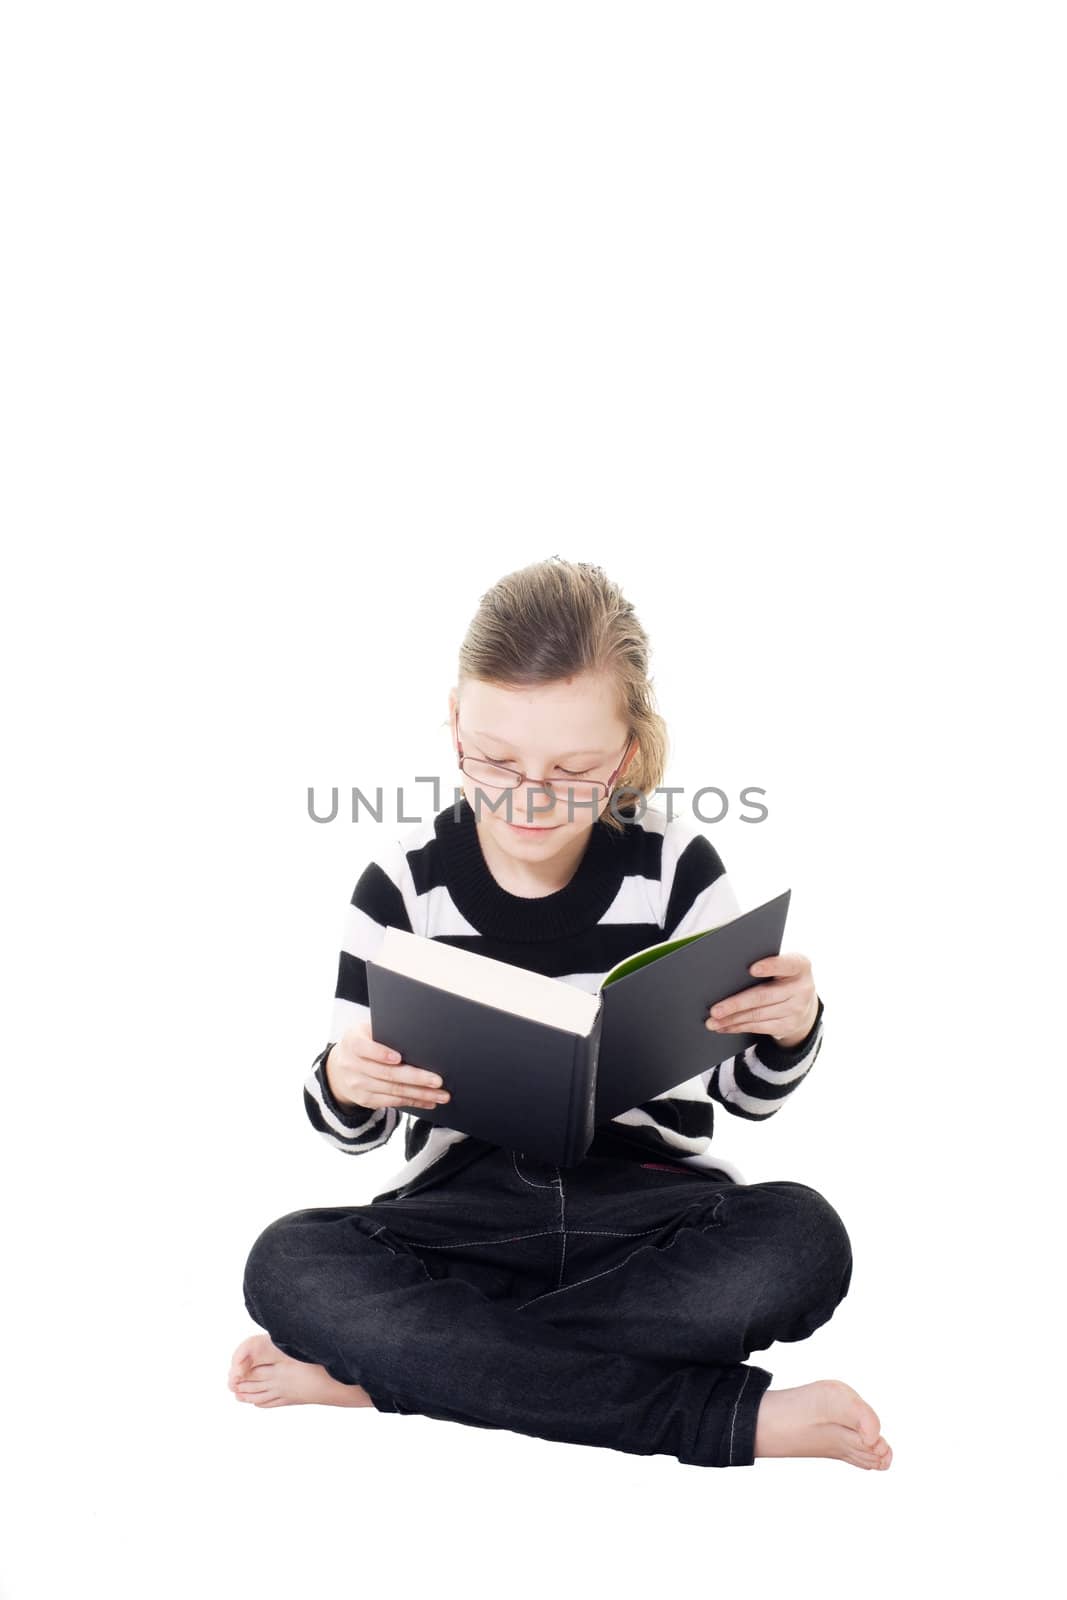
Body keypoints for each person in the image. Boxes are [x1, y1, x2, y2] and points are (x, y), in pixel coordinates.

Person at [229, 557, 892, 1472]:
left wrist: (790, 1024)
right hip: (465, 1219)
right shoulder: (402, 886)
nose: (529, 797)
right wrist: (346, 1080)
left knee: (802, 1239)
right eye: (495, 760)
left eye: (574, 769)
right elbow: (352, 1131)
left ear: (627, 749)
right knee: (286, 1263)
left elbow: (748, 1098)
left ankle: (393, 1375)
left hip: (648, 1215)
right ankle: (720, 1421)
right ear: (454, 721)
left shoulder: (678, 868)